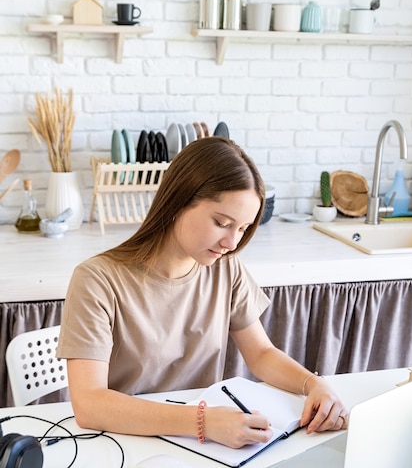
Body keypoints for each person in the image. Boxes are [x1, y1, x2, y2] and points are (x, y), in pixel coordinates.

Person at [57, 136, 347, 449]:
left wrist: (313, 384)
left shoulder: (225, 269)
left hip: (205, 446)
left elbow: (261, 354)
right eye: (222, 222)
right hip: (125, 444)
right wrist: (202, 421)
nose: (232, 243)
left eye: (243, 229)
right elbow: (89, 405)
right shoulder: (97, 280)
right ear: (179, 200)